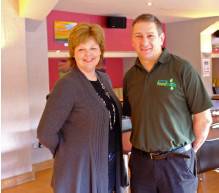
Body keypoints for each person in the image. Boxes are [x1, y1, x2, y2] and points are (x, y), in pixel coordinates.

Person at [123, 14, 213, 193]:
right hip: (141, 165)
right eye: (138, 36)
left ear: (161, 38)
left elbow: (204, 119)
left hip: (177, 163)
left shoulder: (182, 69)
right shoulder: (130, 77)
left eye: (150, 35)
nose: (144, 42)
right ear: (132, 40)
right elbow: (135, 118)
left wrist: (188, 151)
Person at [37, 23, 128, 193]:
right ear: (73, 53)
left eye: (93, 48)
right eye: (81, 49)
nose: (88, 54)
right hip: (81, 170)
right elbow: (45, 133)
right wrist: (69, 151)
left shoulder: (104, 79)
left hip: (110, 162)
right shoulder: (66, 85)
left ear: (100, 51)